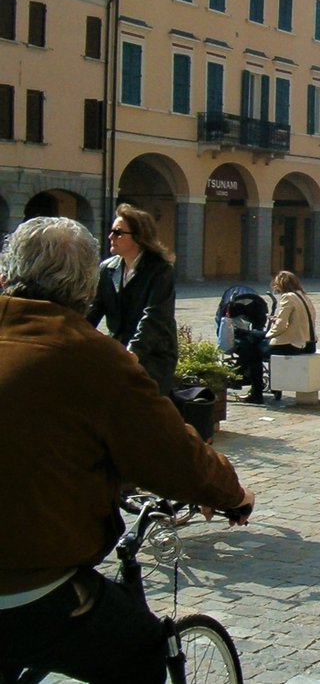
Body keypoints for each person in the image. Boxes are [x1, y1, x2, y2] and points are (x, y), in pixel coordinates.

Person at [0, 216, 254, 684]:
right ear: (85, 285)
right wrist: (232, 495)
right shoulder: (90, 359)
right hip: (29, 584)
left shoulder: (154, 275)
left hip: (146, 354)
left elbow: (152, 320)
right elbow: (172, 456)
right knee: (140, 653)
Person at [87, 203, 178, 397]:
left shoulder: (160, 270)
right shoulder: (107, 269)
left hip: (153, 355)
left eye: (118, 232)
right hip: (120, 352)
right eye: (111, 231)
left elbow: (154, 316)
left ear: (138, 236)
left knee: (144, 408)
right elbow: (94, 310)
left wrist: (133, 352)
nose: (111, 237)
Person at [246, 271, 318, 405]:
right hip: (309, 343)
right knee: (259, 340)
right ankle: (274, 387)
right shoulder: (303, 296)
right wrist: (277, 321)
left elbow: (280, 326)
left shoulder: (288, 297)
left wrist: (267, 335)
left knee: (253, 349)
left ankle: (256, 393)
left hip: (293, 345)